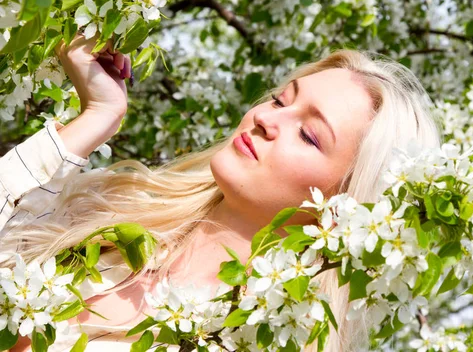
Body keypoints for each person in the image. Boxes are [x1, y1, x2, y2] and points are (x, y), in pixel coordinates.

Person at [0, 35, 440, 351]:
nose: (269, 119)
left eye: (308, 135)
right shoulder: (106, 208)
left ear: (347, 207)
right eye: (280, 99)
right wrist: (97, 116)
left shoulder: (262, 339)